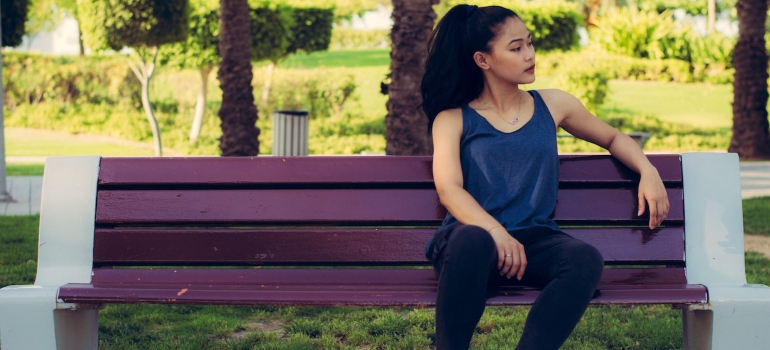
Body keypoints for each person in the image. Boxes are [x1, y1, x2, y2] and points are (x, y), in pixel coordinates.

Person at [420, 4, 670, 350]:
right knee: (472, 240)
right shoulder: (453, 118)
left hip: (532, 243)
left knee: (584, 259)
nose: (530, 54)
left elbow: (613, 138)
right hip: (470, 244)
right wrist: (496, 232)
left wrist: (648, 169)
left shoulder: (553, 105)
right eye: (516, 47)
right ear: (483, 60)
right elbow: (449, 189)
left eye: (530, 43)